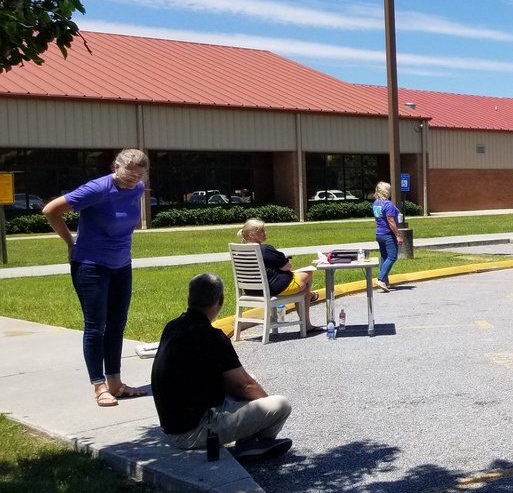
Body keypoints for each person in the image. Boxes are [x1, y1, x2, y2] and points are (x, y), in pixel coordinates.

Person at [43, 148, 151, 407]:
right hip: (91, 265)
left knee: (117, 325)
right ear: (115, 166)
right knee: (96, 326)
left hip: (121, 265)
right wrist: (70, 243)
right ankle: (99, 385)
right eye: (128, 173)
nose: (133, 180)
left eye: (139, 175)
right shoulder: (97, 189)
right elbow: (50, 210)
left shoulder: (136, 190)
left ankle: (116, 383)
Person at [152, 273, 293, 462]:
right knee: (280, 405)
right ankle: (252, 445)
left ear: (189, 297)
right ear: (220, 300)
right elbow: (245, 386)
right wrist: (266, 414)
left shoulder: (173, 327)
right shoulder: (212, 337)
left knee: (250, 380)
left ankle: (253, 441)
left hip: (174, 424)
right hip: (193, 431)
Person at [236, 218, 322, 334]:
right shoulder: (265, 250)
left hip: (251, 291)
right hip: (275, 288)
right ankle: (307, 320)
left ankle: (308, 295)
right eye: (261, 231)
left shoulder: (239, 251)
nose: (265, 233)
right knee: (308, 274)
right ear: (252, 234)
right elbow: (287, 266)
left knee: (301, 283)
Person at [371, 181, 403, 292]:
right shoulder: (388, 204)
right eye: (389, 189)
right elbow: (391, 221)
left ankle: (385, 281)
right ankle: (381, 279)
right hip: (388, 234)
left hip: (379, 234)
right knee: (392, 256)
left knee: (384, 257)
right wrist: (398, 235)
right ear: (386, 191)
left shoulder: (376, 203)